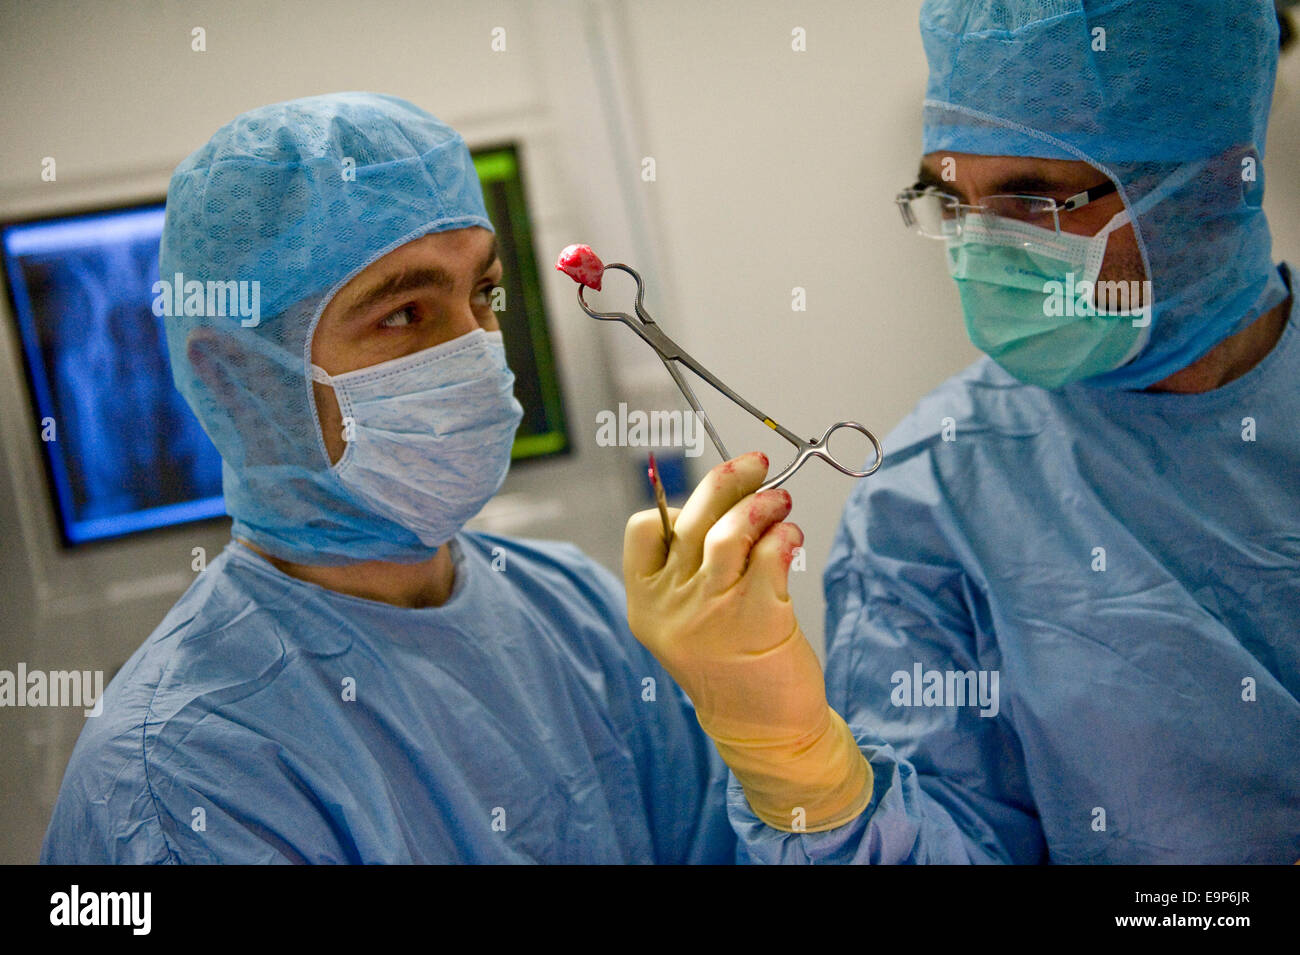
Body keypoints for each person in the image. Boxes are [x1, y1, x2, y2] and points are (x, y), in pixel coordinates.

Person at [623, 0, 1299, 863]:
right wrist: (805, 775)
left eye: (1033, 202)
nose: (979, 249)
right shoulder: (931, 494)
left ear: (1209, 182)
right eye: (949, 201)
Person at [40, 93, 734, 864]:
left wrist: (789, 751)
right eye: (404, 312)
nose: (477, 353)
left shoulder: (579, 613)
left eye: (482, 294)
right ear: (239, 381)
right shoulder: (185, 775)